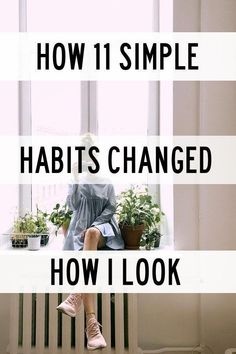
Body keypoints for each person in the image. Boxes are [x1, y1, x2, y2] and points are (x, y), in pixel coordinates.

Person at [57, 143, 124, 351]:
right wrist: (75, 178)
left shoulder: (107, 183)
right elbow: (74, 206)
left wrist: (94, 226)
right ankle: (92, 325)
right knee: (89, 241)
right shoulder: (78, 181)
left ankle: (76, 294)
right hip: (80, 233)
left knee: (93, 233)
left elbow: (111, 208)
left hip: (103, 230)